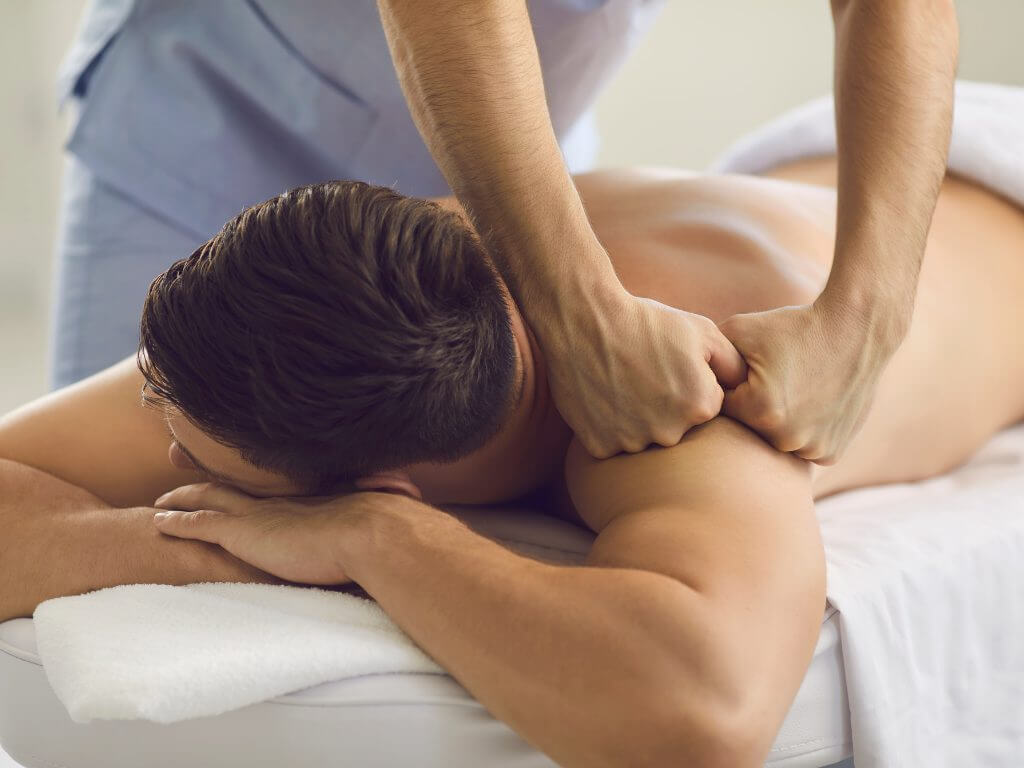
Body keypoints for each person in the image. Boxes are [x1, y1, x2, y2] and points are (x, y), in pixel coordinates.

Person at [4, 151, 1023, 766]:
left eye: (189, 453)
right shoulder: (371, 296)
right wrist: (201, 543)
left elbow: (701, 718)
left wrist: (371, 539)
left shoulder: (677, 401)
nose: (161, 442)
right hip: (807, 172)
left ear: (385, 480)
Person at [53, 0, 959, 464]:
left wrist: (868, 324)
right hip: (222, 103)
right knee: (141, 484)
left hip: (515, 141)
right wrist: (579, 312)